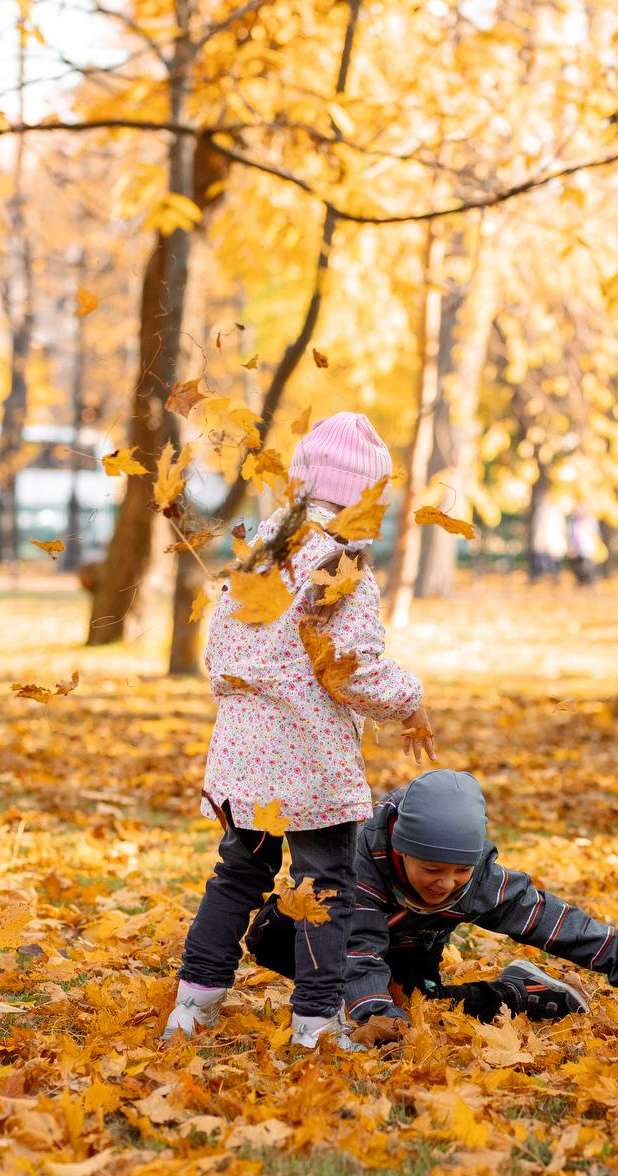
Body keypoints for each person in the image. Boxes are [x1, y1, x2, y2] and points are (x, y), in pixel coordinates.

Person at [166, 413, 438, 1049]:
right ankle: (314, 1024)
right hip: (309, 758)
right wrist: (410, 704)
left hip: (244, 752)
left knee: (237, 875)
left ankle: (193, 1006)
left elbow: (222, 648)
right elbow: (353, 671)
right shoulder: (340, 567)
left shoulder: (261, 548)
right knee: (324, 889)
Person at [252, 769, 618, 1047]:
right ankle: (343, 1002)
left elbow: (550, 919)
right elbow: (359, 950)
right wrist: (377, 1016)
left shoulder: (480, 881)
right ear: (400, 849)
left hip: (412, 951)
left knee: (420, 1005)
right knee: (273, 936)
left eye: (459, 872)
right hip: (348, 939)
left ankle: (521, 992)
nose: (445, 883)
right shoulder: (359, 867)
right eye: (431, 869)